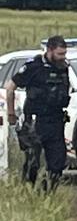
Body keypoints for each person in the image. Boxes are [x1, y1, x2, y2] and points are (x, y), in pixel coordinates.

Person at [4, 35, 70, 189]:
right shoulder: (34, 67)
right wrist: (11, 114)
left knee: (57, 162)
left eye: (64, 54)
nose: (63, 57)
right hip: (35, 121)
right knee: (33, 162)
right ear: (49, 50)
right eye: (60, 54)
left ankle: (48, 194)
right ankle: (29, 192)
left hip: (55, 121)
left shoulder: (63, 68)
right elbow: (10, 88)